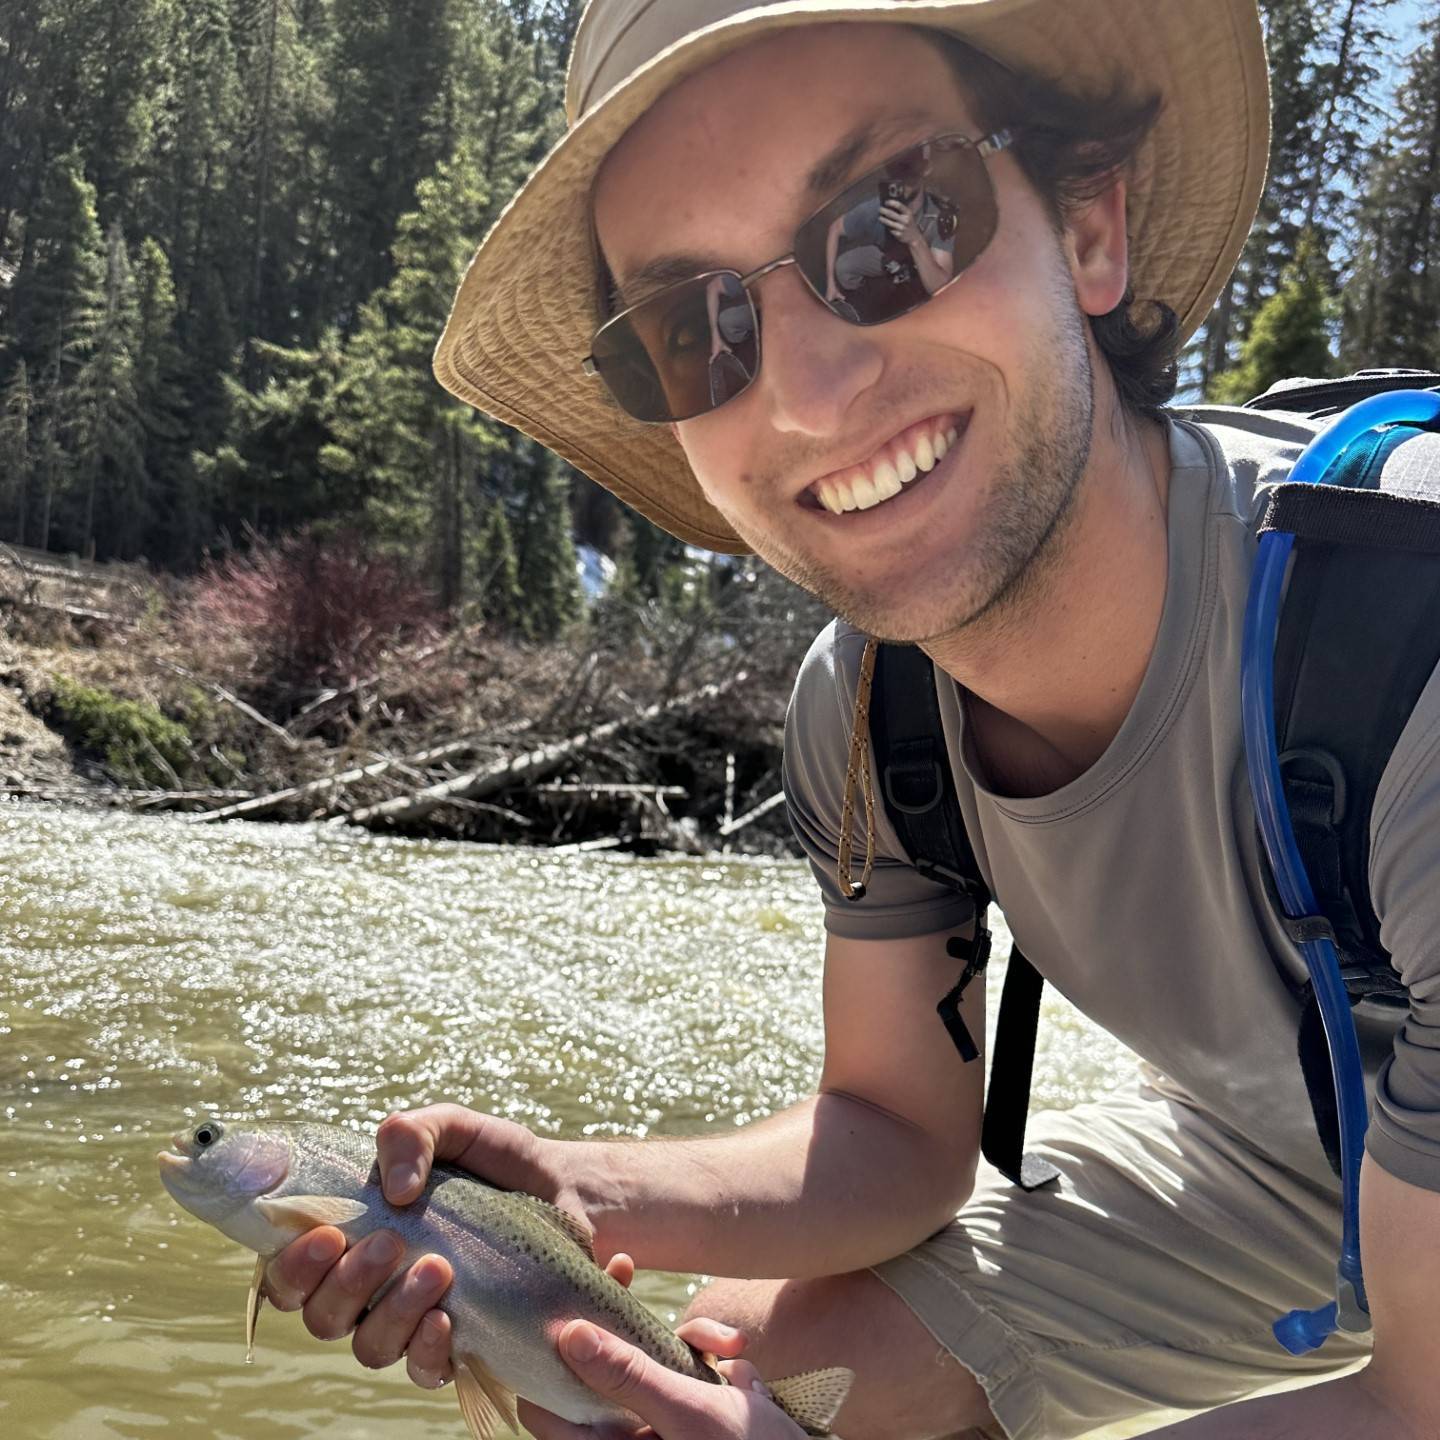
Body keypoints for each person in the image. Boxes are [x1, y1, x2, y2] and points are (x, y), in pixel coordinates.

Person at [262, 3, 1440, 1438]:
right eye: (697, 332)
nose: (811, 397)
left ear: (1086, 227)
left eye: (895, 226)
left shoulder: (1410, 639)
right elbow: (896, 1139)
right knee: (734, 1363)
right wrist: (580, 1196)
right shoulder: (873, 706)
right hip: (1285, 1168)